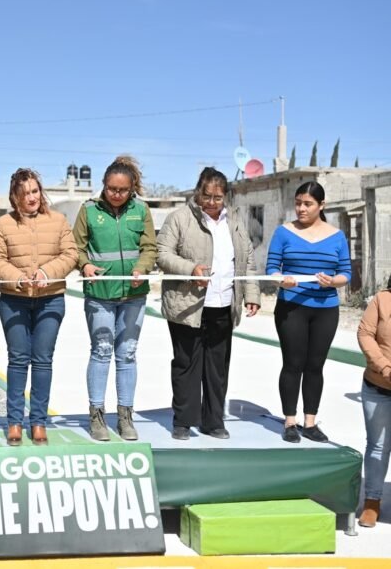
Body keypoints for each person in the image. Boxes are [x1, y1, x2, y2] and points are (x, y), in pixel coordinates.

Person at [157, 167, 260, 441]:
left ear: (225, 197)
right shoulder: (179, 218)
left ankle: (213, 421)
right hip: (187, 306)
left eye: (218, 197)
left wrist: (251, 293)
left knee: (217, 368)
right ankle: (183, 421)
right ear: (197, 192)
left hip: (223, 304)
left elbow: (247, 259)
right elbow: (162, 254)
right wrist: (191, 269)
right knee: (186, 364)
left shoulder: (234, 222)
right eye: (207, 196)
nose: (212, 202)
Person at [0, 168, 77, 446]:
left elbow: (70, 254)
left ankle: (38, 421)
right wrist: (17, 278)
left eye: (35, 191)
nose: (31, 197)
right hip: (14, 300)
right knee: (18, 360)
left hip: (50, 299)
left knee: (42, 360)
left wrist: (47, 273)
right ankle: (14, 421)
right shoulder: (2, 224)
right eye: (25, 193)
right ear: (15, 196)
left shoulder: (59, 220)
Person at [72, 156, 157, 442]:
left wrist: (142, 268)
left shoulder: (141, 210)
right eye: (111, 189)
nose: (116, 194)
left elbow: (149, 248)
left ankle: (125, 416)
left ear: (131, 189)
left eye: (122, 190)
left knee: (128, 353)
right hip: (100, 295)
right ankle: (96, 415)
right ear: (103, 185)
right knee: (101, 350)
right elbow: (76, 247)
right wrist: (85, 265)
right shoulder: (88, 210)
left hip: (134, 294)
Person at [267, 181, 351, 443]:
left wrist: (333, 281)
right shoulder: (283, 232)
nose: (301, 209)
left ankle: (310, 423)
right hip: (291, 307)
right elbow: (271, 268)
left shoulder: (337, 236)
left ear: (321, 205)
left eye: (308, 204)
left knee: (315, 366)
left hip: (326, 309)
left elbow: (345, 273)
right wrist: (281, 280)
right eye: (298, 203)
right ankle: (290, 422)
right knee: (293, 363)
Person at [358, 277, 391, 528]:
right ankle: (372, 501)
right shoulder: (382, 299)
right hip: (377, 386)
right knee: (378, 445)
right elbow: (365, 334)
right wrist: (384, 367)